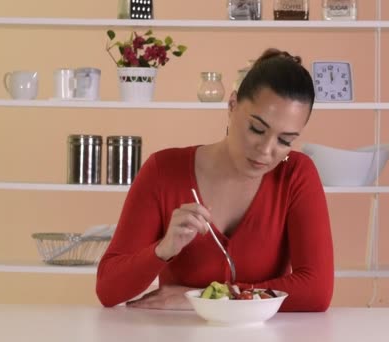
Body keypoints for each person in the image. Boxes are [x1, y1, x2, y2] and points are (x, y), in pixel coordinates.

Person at [96, 48, 334, 312]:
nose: (266, 151)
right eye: (257, 129)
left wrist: (208, 299)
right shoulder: (163, 170)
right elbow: (108, 289)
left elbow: (317, 291)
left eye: (285, 140)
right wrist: (163, 249)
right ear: (232, 105)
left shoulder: (296, 174)